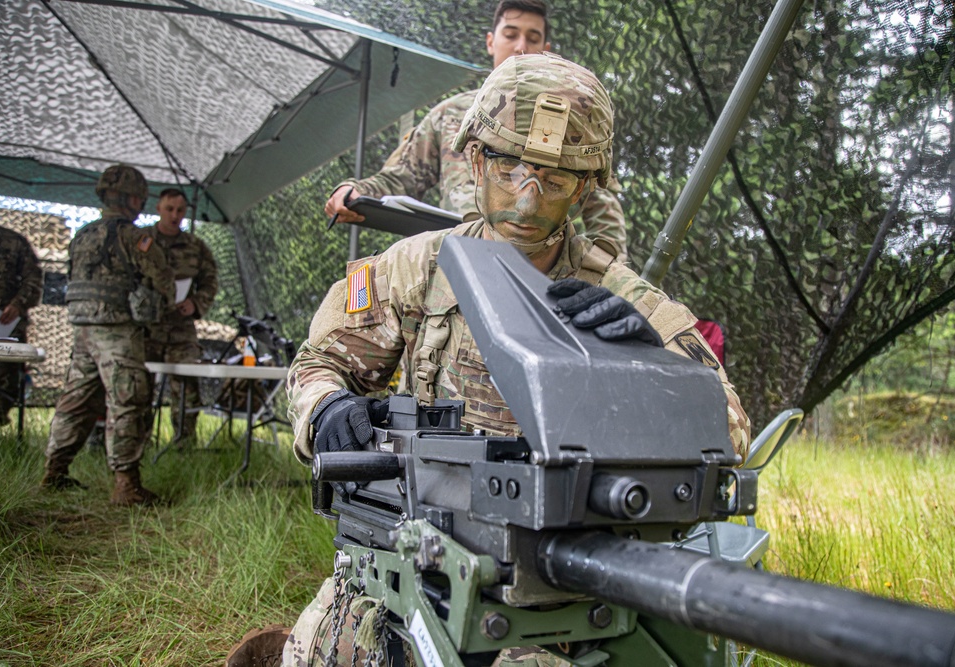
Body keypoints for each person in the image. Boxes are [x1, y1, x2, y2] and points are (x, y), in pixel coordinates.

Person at [227, 53, 750, 666]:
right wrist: (328, 408)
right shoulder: (416, 267)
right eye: (509, 169)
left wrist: (645, 372)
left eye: (554, 181)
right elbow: (318, 362)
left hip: (558, 594)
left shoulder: (623, 301)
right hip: (415, 552)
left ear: (585, 188)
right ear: (475, 159)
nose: (527, 202)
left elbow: (730, 431)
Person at [323, 0, 629, 259]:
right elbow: (401, 178)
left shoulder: (570, 120)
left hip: (540, 267)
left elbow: (600, 206)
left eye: (533, 38)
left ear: (545, 50)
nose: (521, 47)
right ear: (490, 42)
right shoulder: (451, 115)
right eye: (511, 34)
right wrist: (358, 191)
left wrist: (602, 280)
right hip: (460, 263)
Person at [42, 164, 175, 506]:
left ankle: (53, 472)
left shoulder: (83, 234)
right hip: (117, 330)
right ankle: (125, 485)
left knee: (76, 400)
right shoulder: (133, 237)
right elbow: (163, 280)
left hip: (83, 330)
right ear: (133, 198)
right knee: (127, 400)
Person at [144, 188, 219, 447]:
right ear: (158, 208)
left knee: (186, 385)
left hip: (181, 329)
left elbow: (210, 282)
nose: (174, 215)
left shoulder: (195, 247)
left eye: (179, 210)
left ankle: (184, 445)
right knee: (138, 384)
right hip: (145, 329)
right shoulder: (142, 240)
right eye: (169, 209)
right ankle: (137, 443)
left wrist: (196, 303)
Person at [0, 221, 44, 427]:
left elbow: (34, 280)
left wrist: (18, 304)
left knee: (6, 381)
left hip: (4, 325)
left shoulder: (13, 242)